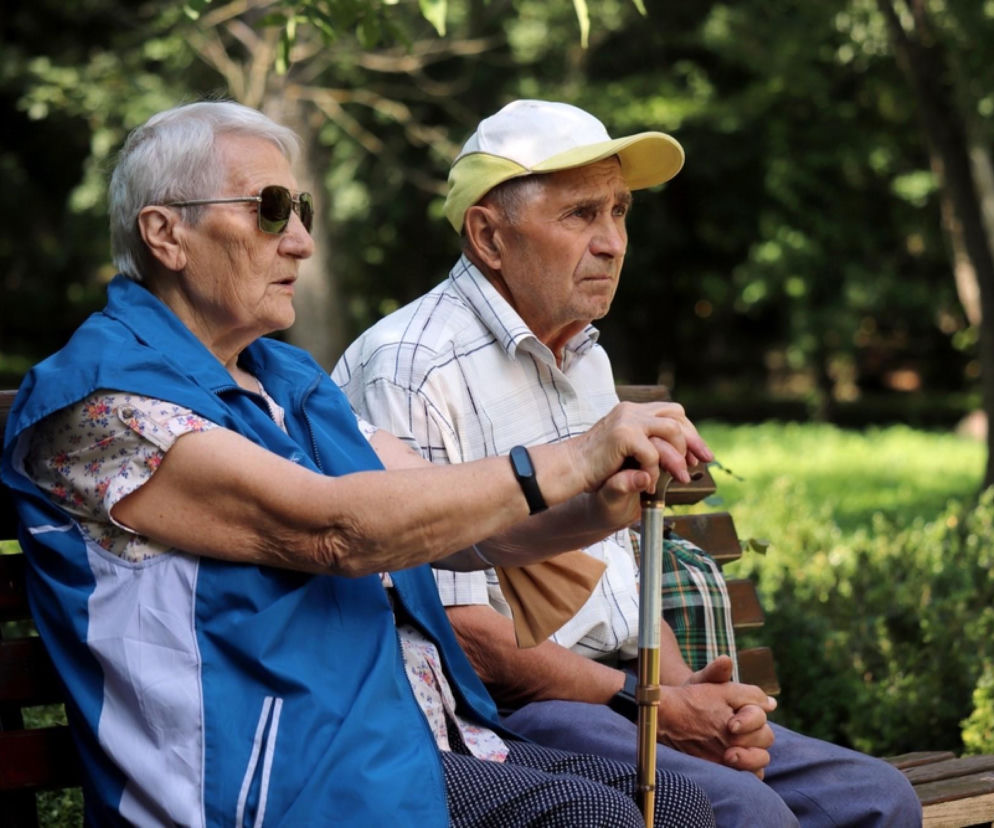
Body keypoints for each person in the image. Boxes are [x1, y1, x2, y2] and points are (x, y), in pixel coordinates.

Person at [0, 101, 721, 827]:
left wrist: (598, 505)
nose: (303, 243)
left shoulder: (284, 381)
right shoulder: (104, 407)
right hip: (270, 787)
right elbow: (334, 532)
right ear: (166, 234)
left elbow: (464, 531)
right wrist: (572, 457)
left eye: (302, 209)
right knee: (599, 822)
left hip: (395, 744)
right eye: (271, 210)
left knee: (679, 806)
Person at [333, 99, 922, 826]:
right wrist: (659, 707)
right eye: (581, 215)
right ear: (488, 236)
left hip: (630, 693)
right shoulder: (411, 366)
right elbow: (467, 640)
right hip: (526, 713)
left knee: (878, 802)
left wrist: (696, 698)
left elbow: (622, 582)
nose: (612, 242)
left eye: (620, 212)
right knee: (751, 818)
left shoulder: (587, 355)